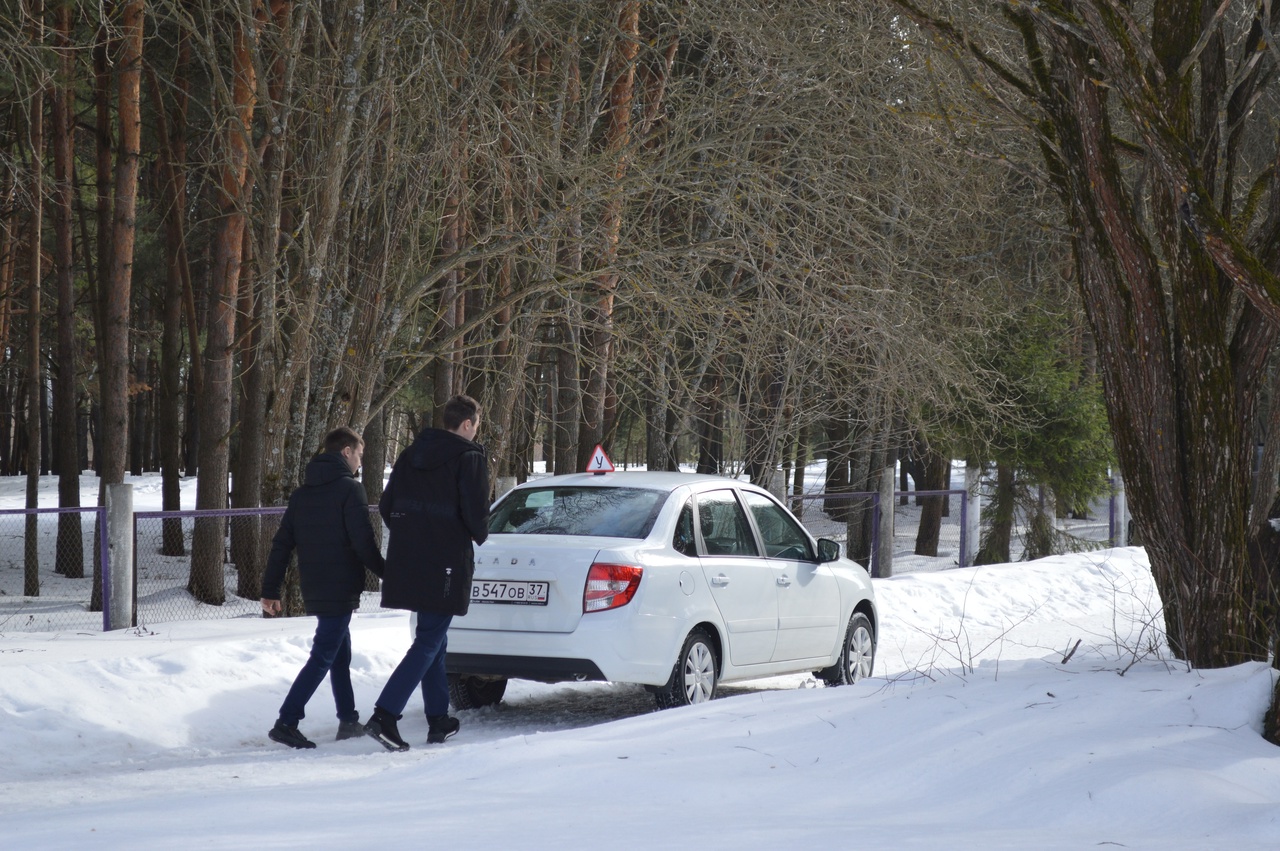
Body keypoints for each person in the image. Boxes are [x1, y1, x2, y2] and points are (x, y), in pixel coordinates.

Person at [364, 395, 489, 751]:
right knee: (429, 639)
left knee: (434, 636)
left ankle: (438, 719)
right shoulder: (469, 457)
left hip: (408, 558)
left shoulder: (410, 454)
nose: (476, 429)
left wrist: (412, 534)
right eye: (476, 423)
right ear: (467, 424)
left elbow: (387, 506)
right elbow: (476, 517)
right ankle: (385, 714)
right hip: (446, 561)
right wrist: (473, 533)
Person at [262, 426, 385, 749]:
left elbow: (281, 544)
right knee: (323, 655)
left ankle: (347, 719)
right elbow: (363, 542)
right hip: (340, 586)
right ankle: (286, 721)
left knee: (339, 654)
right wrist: (389, 572)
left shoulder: (303, 494)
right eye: (359, 454)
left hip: (315, 585)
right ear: (346, 452)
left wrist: (270, 589)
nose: (361, 461)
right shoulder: (349, 490)